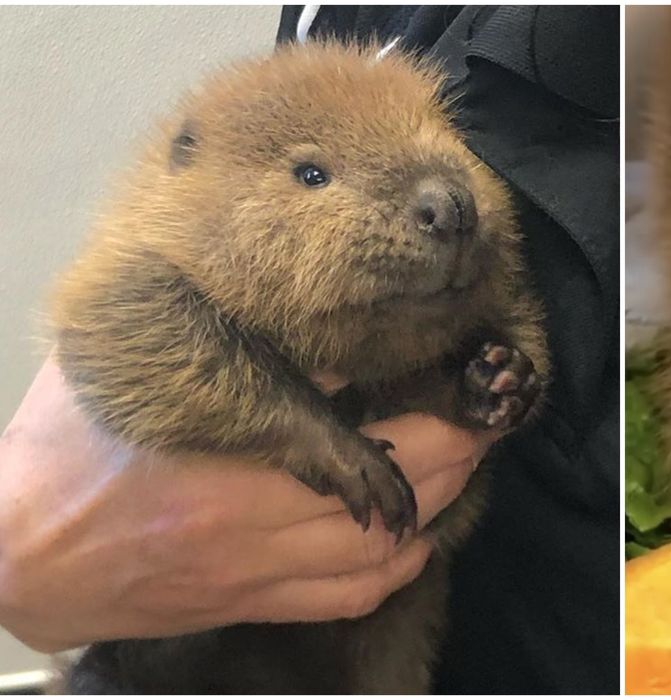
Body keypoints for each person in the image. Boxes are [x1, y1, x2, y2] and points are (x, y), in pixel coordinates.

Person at [0, 5, 618, 694]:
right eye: (314, 177)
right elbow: (120, 349)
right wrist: (307, 437)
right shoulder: (164, 279)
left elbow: (511, 328)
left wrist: (489, 385)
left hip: (416, 643)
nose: (445, 202)